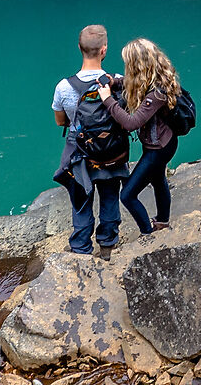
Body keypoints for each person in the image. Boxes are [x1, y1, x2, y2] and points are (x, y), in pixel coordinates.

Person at [52, 24, 131, 256]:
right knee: (109, 196)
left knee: (81, 199)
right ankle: (107, 245)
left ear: (79, 48)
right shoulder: (117, 81)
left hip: (80, 154)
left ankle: (81, 248)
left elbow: (60, 122)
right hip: (111, 151)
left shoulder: (63, 87)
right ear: (104, 50)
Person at [110, 37, 195, 235]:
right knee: (158, 180)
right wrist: (115, 82)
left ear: (136, 65)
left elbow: (132, 124)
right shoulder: (156, 78)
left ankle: (147, 232)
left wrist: (108, 101)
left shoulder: (157, 94)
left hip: (159, 149)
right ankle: (163, 222)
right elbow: (134, 83)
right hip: (163, 143)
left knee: (128, 195)